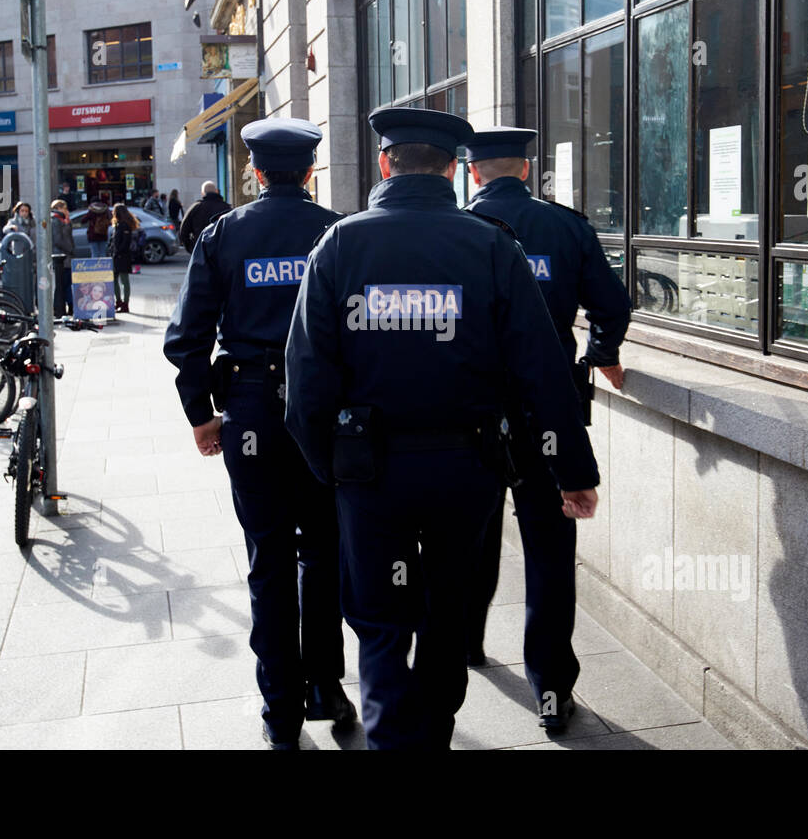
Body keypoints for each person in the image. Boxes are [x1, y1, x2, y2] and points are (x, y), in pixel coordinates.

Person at [284, 108, 601, 750]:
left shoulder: (340, 245)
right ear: (455, 169)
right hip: (468, 472)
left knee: (379, 624)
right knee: (446, 615)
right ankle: (431, 737)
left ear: (384, 163)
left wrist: (332, 471)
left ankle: (391, 741)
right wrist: (574, 471)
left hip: (370, 475)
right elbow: (543, 370)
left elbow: (306, 382)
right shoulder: (490, 245)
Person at [163, 118, 353, 750]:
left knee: (268, 558)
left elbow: (187, 337)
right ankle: (326, 684)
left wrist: (200, 415)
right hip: (322, 411)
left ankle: (280, 711)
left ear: (254, 170)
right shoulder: (335, 231)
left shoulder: (224, 234)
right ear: (309, 171)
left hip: (250, 410)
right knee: (323, 549)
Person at [461, 126, 632, 731]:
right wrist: (601, 352)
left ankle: (467, 643)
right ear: (527, 171)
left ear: (475, 173)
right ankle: (552, 689)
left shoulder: (459, 229)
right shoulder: (566, 227)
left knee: (469, 540)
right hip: (550, 409)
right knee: (551, 551)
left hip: (476, 412)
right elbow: (613, 305)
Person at [179, 180, 230, 254]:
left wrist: (192, 248)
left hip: (201, 250)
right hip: (222, 251)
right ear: (216, 191)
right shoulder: (226, 208)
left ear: (202, 193)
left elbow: (183, 232)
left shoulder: (195, 207)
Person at [109, 203, 138, 314]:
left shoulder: (124, 225)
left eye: (114, 211)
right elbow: (114, 242)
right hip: (116, 256)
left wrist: (118, 252)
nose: (112, 213)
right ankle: (119, 302)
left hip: (122, 256)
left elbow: (125, 242)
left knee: (124, 280)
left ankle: (125, 304)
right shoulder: (118, 225)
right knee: (114, 280)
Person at [51, 198, 76, 318]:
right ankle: (60, 308)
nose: (66, 210)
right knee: (62, 283)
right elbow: (58, 240)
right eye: (63, 208)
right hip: (61, 257)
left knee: (67, 283)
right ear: (57, 209)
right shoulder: (55, 221)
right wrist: (69, 249)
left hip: (67, 257)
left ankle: (70, 306)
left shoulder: (65, 221)